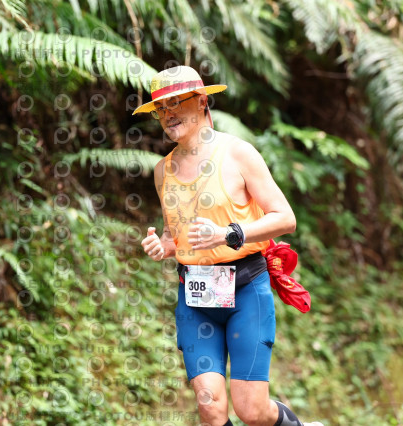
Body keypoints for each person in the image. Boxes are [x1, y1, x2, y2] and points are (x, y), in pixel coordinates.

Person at [137, 66, 323, 426]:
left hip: (246, 291)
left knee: (252, 411)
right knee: (210, 408)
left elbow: (285, 218)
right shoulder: (163, 170)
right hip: (196, 298)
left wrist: (230, 233)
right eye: (160, 108)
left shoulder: (238, 154)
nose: (168, 113)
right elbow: (176, 234)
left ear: (201, 101)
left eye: (176, 103)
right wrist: (163, 246)